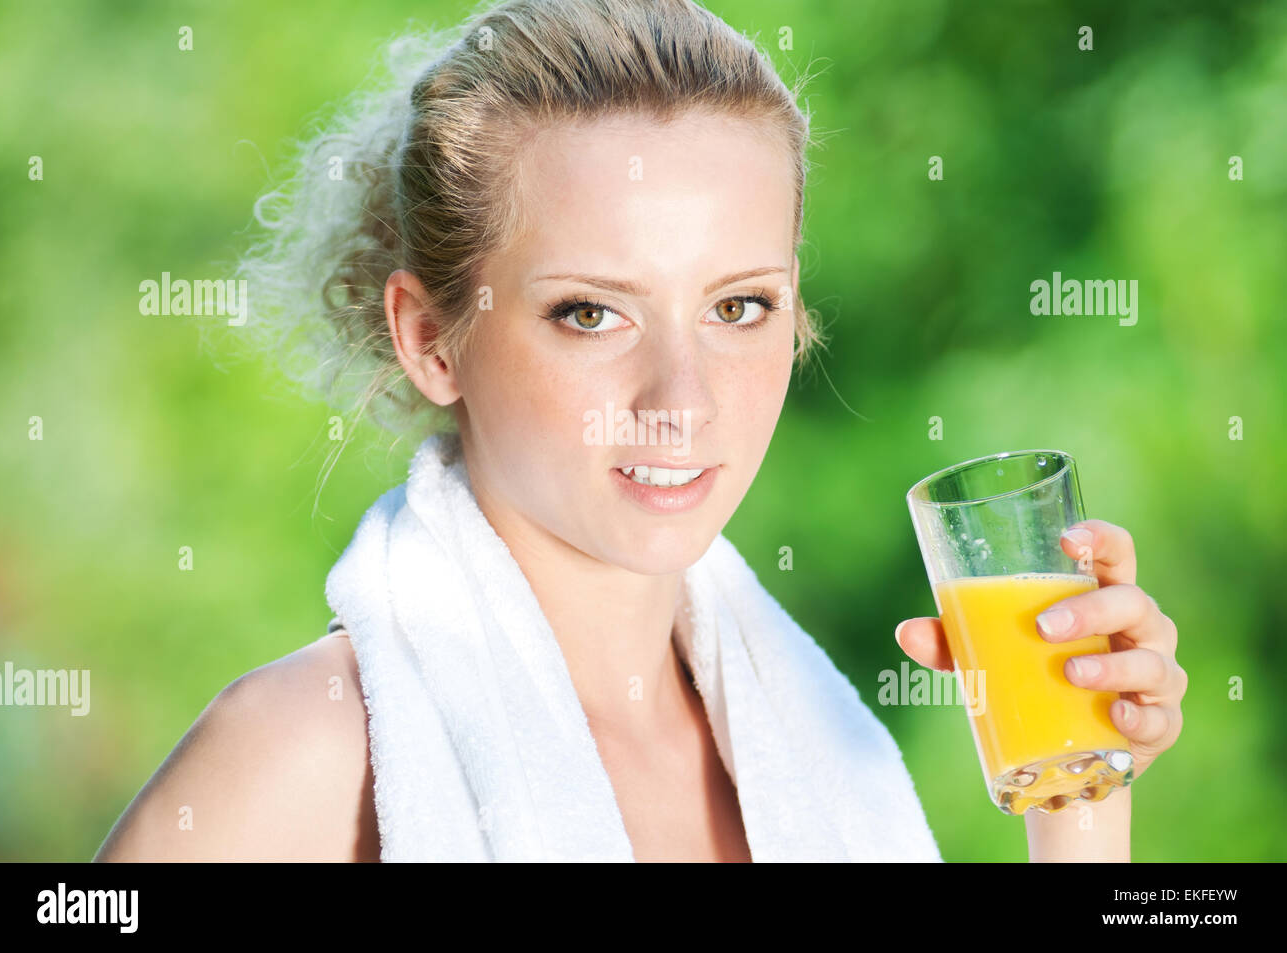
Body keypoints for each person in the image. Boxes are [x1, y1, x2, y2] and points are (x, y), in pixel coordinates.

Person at [94, 0, 1185, 863]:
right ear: (430, 338)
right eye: (591, 312)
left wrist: (1077, 783)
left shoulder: (818, 745)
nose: (683, 396)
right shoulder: (308, 747)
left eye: (738, 306)